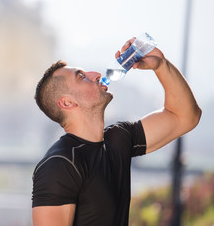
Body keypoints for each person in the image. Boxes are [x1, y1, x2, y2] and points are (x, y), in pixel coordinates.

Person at [31, 37, 202, 226]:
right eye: (81, 77)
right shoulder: (60, 164)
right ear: (67, 102)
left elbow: (185, 116)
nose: (95, 74)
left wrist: (161, 66)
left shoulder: (119, 139)